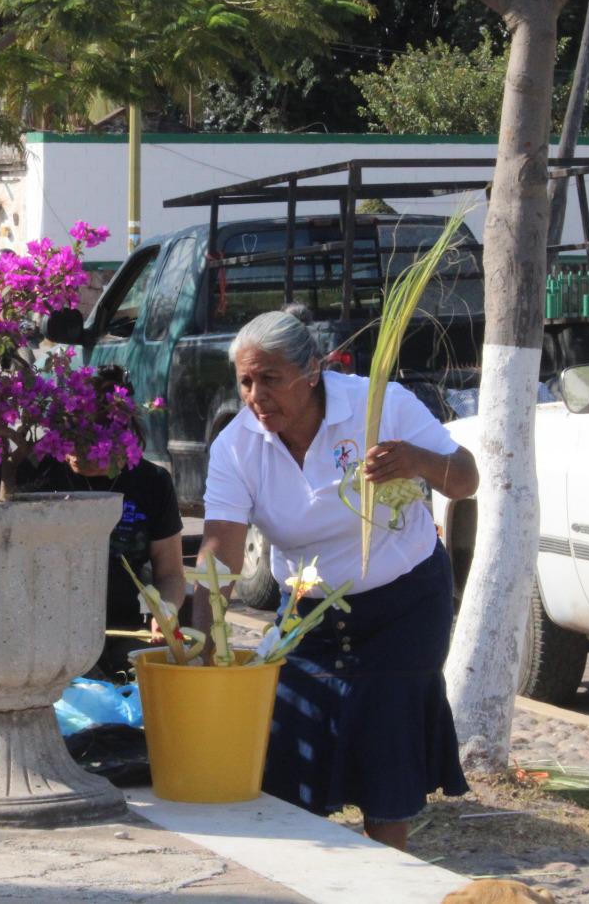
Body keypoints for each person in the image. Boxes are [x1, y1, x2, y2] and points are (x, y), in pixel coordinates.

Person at [197, 308, 479, 851]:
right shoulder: (235, 445)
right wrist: (204, 641)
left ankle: (386, 878)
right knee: (289, 744)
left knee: (384, 736)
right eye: (245, 382)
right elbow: (220, 549)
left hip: (405, 605)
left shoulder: (380, 406)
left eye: (270, 378)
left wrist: (417, 461)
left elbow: (465, 479)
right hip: (311, 611)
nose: (256, 395)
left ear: (312, 370)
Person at [18, 366, 186, 677]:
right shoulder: (38, 472)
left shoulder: (152, 481)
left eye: (90, 445)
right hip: (49, 633)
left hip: (123, 629)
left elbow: (171, 574)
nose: (77, 455)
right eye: (70, 441)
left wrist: (165, 612)